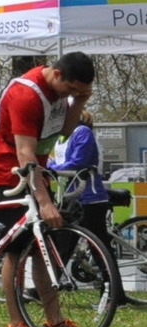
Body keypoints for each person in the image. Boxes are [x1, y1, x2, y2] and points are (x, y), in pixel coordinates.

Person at [0, 51, 96, 327]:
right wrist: (45, 202)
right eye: (72, 89)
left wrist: (78, 102)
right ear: (57, 74)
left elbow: (66, 130)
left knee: (41, 250)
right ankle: (15, 325)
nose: (72, 94)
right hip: (10, 176)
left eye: (79, 92)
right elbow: (25, 154)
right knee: (15, 253)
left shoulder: (59, 92)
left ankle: (55, 323)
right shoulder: (27, 94)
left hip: (37, 174)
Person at [49, 105, 112, 245]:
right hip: (73, 196)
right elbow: (55, 160)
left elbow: (77, 162)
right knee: (63, 245)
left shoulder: (82, 132)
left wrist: (50, 168)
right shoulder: (62, 137)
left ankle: (107, 267)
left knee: (99, 245)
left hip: (91, 198)